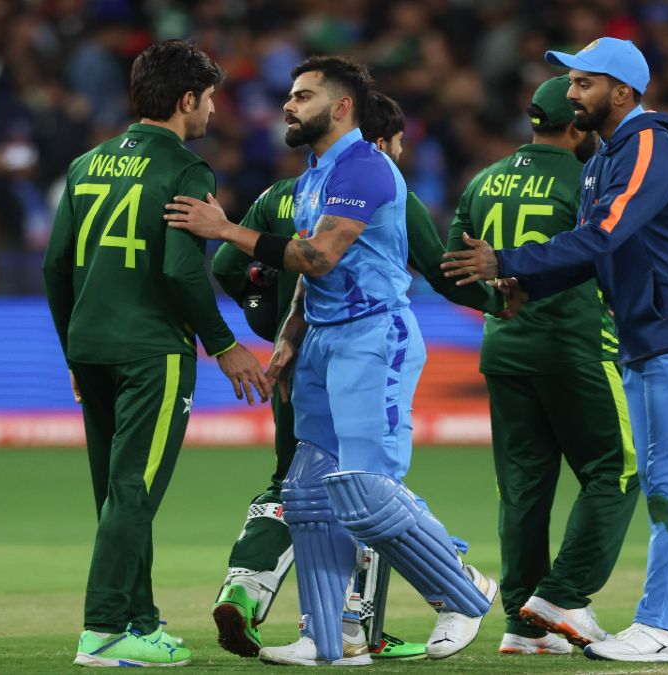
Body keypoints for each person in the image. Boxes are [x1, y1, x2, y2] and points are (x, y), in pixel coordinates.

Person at [166, 55, 496, 667]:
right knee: (307, 493)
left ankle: (462, 588)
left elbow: (318, 256)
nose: (288, 105)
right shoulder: (314, 175)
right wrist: (291, 335)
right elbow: (310, 276)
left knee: (365, 490)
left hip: (373, 339)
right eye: (290, 95)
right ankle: (327, 639)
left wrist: (225, 229)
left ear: (341, 106)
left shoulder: (364, 167)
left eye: (303, 96)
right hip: (322, 340)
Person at [441, 37, 668, 662]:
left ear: (622, 91)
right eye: (572, 81)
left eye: (584, 82)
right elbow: (593, 250)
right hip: (650, 333)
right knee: (663, 479)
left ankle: (661, 626)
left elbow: (604, 234)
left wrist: (507, 260)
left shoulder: (648, 144)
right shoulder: (607, 156)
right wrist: (528, 284)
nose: (571, 92)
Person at [43, 39, 269, 668]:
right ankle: (102, 630)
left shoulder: (85, 164)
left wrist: (72, 353)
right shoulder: (186, 171)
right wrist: (225, 345)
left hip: (91, 346)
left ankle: (138, 622)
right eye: (211, 98)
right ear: (187, 99)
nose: (214, 110)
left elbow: (55, 266)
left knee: (118, 495)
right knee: (134, 493)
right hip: (152, 352)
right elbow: (180, 270)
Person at [445, 74, 640, 656]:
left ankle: (523, 627)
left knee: (523, 490)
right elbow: (608, 250)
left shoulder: (484, 180)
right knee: (620, 469)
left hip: (504, 351)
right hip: (575, 344)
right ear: (578, 125)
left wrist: (495, 301)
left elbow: (451, 264)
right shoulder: (589, 177)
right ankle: (562, 596)